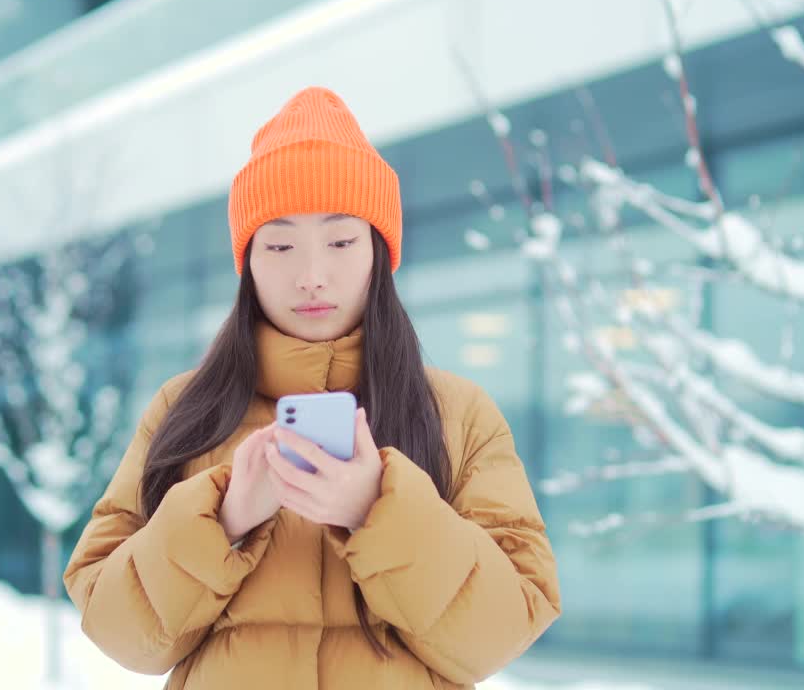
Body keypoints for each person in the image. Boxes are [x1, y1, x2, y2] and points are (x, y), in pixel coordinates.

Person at [63, 86, 561, 689]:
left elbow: (503, 631)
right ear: (248, 260)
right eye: (278, 245)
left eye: (342, 241)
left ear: (380, 251)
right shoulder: (185, 410)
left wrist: (377, 511)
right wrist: (223, 518)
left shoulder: (458, 414)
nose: (311, 275)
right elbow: (115, 628)